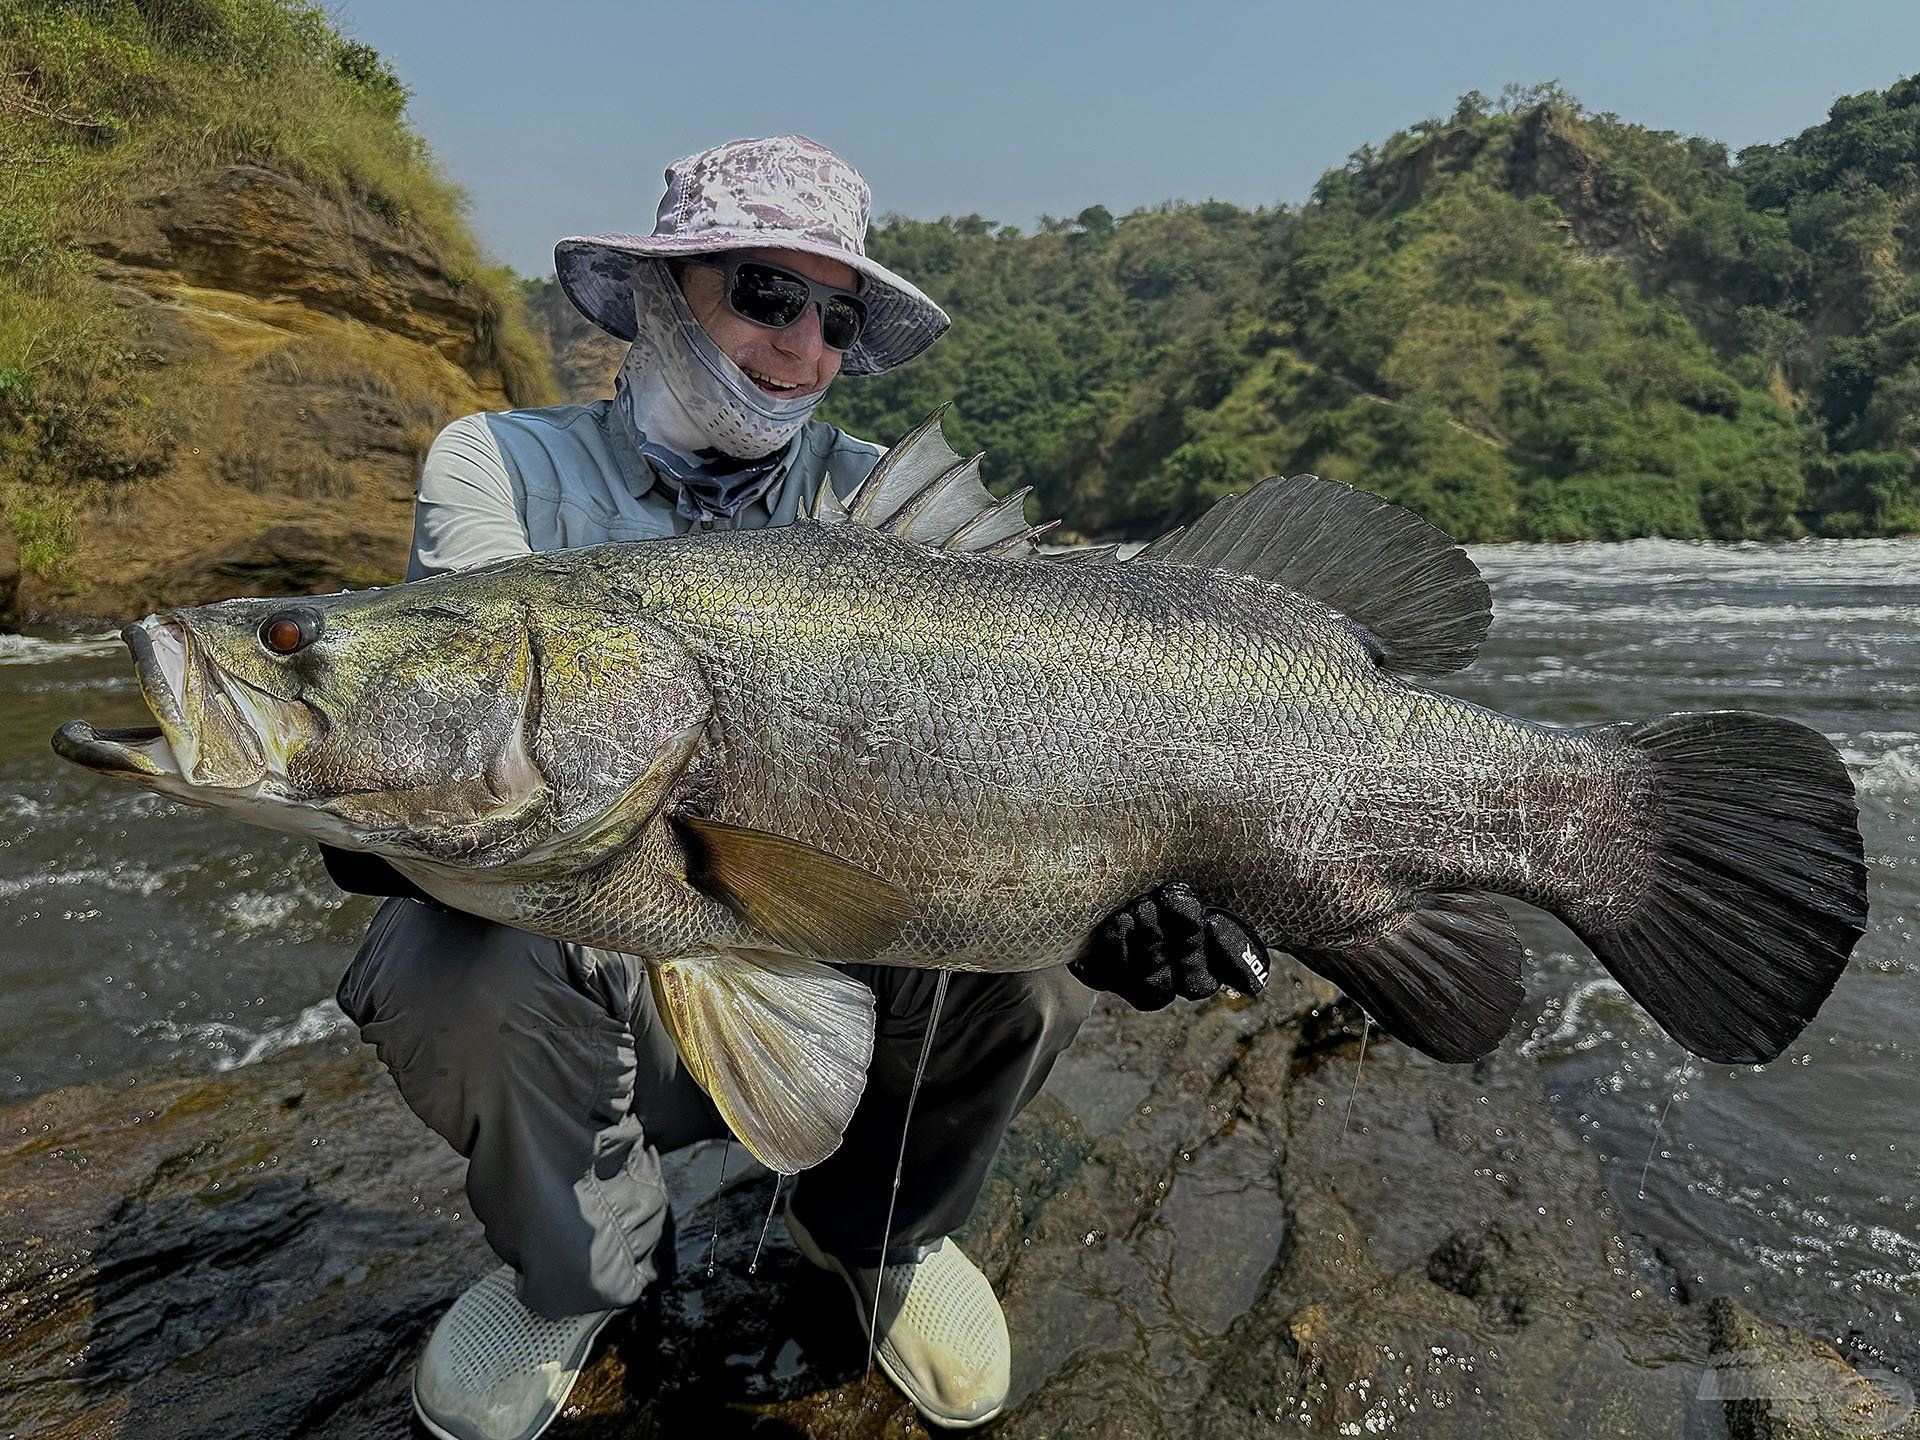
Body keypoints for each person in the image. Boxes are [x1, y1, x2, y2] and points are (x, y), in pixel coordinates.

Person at [325, 135, 1266, 1439]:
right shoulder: (498, 466)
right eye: (767, 294)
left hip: (819, 964)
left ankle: (880, 1236)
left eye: (837, 318)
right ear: (661, 294)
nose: (806, 348)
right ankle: (573, 1274)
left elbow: (1032, 738)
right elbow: (446, 700)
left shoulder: (878, 500)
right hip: (585, 966)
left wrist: (1127, 890)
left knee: (1031, 955)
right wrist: (376, 806)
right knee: (447, 961)